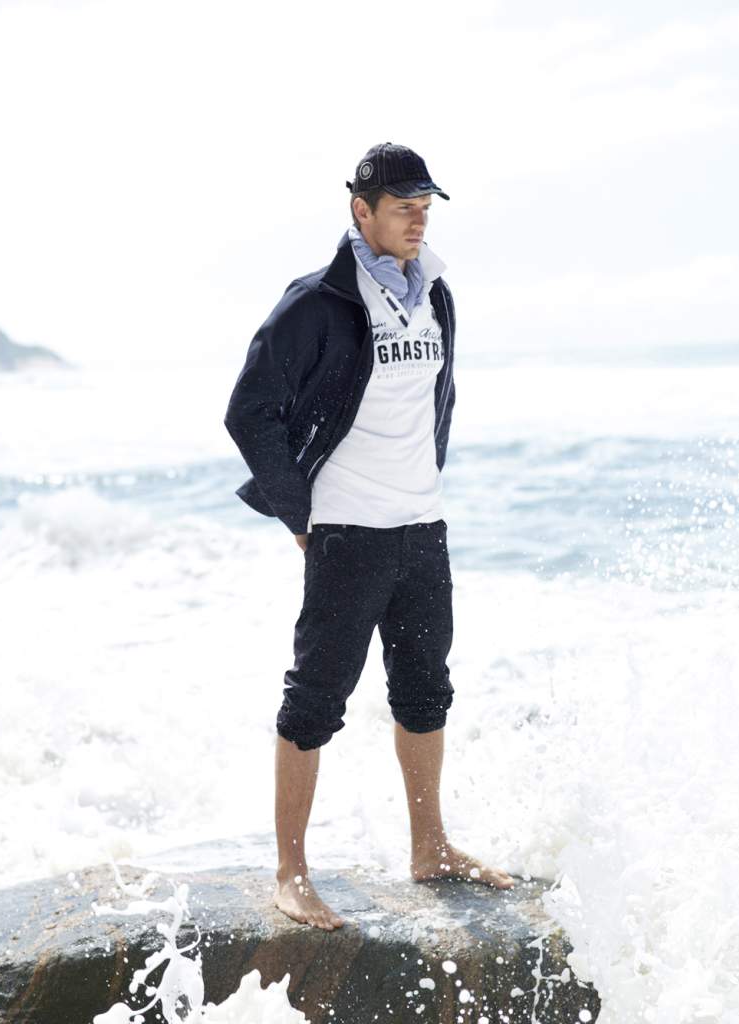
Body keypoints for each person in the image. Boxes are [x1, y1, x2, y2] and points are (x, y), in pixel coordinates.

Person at [225, 142, 514, 931]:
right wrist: (298, 514)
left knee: (425, 691)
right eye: (402, 208)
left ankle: (430, 847)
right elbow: (249, 412)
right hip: (348, 532)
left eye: (425, 207)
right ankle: (290, 873)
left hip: (422, 528)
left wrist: (426, 485)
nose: (418, 220)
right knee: (315, 700)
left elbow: (433, 402)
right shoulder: (317, 301)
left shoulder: (434, 294)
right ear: (362, 211)